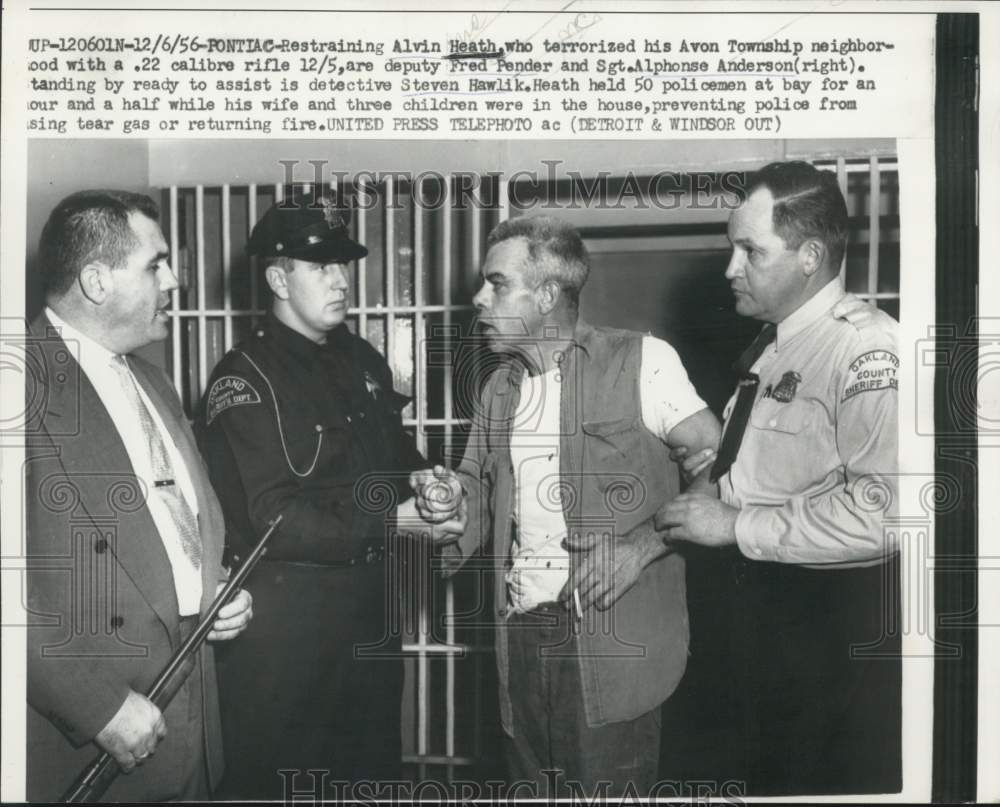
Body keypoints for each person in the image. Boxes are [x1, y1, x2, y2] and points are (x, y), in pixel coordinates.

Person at [412, 215, 721, 797]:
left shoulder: (643, 362)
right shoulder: (498, 389)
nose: (479, 299)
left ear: (548, 294)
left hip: (612, 648)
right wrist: (448, 500)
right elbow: (475, 497)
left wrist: (642, 543)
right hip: (520, 638)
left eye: (497, 283)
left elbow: (721, 466)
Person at [196, 192, 463, 798]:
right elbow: (271, 516)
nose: (341, 280)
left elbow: (394, 460)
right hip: (289, 640)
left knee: (369, 776)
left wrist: (427, 482)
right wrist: (395, 526)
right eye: (321, 267)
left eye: (342, 265)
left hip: (370, 623)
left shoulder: (362, 359)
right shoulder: (244, 378)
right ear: (277, 279)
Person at [657, 161, 901, 794]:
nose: (730, 269)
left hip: (819, 626)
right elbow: (784, 466)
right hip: (750, 612)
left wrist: (737, 523)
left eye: (749, 250)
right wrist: (720, 475)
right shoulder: (772, 347)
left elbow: (888, 512)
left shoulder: (866, 349)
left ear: (810, 255)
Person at [24, 190, 253, 801]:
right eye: (156, 264)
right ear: (97, 282)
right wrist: (94, 706)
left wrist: (217, 587)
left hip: (193, 718)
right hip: (91, 739)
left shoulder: (154, 380)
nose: (175, 280)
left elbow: (176, 527)